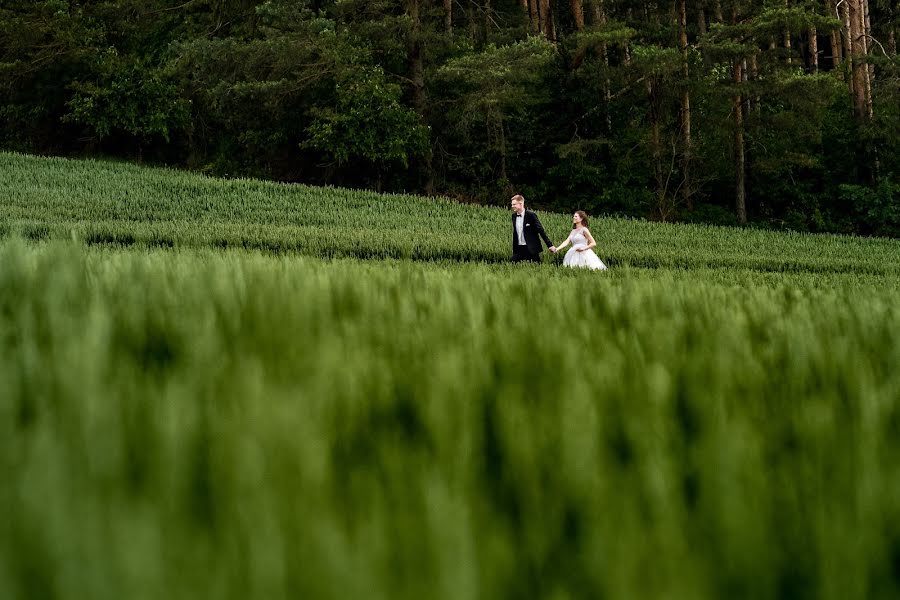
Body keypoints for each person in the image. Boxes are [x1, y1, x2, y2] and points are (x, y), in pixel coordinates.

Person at [510, 195, 555, 263]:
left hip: (531, 248)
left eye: (514, 204)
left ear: (521, 203)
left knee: (535, 268)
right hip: (519, 248)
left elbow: (541, 230)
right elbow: (515, 232)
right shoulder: (514, 216)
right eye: (512, 204)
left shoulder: (531, 215)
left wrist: (550, 245)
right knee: (512, 264)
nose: (512, 206)